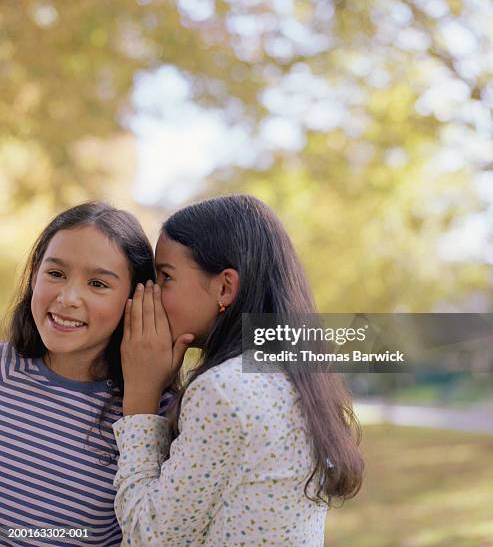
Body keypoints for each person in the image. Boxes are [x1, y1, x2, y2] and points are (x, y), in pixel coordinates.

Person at [114, 194, 364, 546]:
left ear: (225, 287)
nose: (152, 293)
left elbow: (151, 534)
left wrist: (140, 398)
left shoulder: (222, 391)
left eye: (166, 276)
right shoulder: (294, 376)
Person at [0, 202, 176, 546]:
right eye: (56, 274)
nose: (68, 298)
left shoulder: (154, 413)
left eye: (97, 283)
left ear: (136, 299)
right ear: (35, 273)